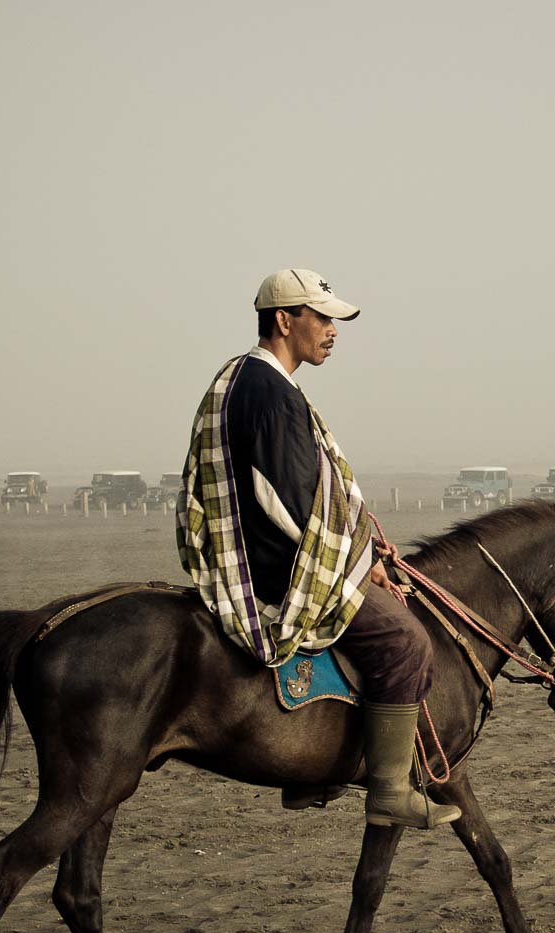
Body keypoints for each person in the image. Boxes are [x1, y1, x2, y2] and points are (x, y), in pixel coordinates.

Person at [176, 268, 460, 829]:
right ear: (285, 320)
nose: (333, 330)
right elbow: (291, 503)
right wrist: (358, 566)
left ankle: (320, 769)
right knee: (407, 641)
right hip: (286, 569)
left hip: (272, 558)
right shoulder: (269, 392)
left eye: (334, 320)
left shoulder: (244, 380)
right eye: (322, 318)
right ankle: (388, 792)